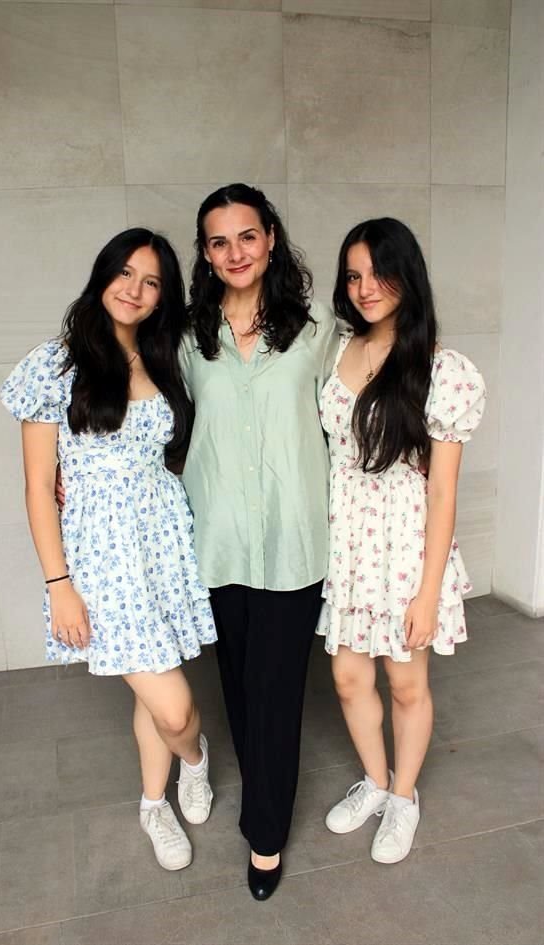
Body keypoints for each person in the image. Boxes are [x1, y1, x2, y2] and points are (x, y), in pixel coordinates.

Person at [0, 228, 217, 873]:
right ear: (102, 277)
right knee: (174, 705)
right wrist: (58, 584)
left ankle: (154, 803)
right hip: (100, 562)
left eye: (151, 282)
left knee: (151, 695)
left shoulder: (166, 359)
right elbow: (40, 488)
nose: (135, 289)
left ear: (163, 297)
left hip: (165, 548)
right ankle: (195, 760)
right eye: (125, 273)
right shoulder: (56, 365)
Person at [180, 183, 338, 899]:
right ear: (206, 254)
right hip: (218, 540)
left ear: (271, 237)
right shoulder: (186, 338)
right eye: (219, 241)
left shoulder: (316, 331)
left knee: (275, 692)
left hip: (293, 540)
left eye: (247, 235)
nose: (235, 252)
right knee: (240, 686)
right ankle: (259, 782)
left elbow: (357, 405)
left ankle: (265, 836)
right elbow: (146, 413)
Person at [317, 218, 486, 864]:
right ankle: (377, 780)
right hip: (348, 545)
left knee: (406, 682)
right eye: (353, 275)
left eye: (378, 273)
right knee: (347, 675)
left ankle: (404, 798)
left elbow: (442, 492)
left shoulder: (442, 369)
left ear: (406, 276)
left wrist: (428, 589)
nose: (365, 288)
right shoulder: (335, 349)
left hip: (404, 547)